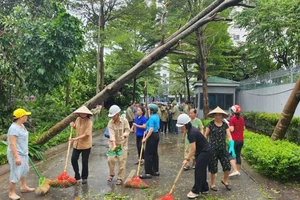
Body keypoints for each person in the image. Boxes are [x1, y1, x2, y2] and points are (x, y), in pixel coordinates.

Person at [177, 114, 212, 199]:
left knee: (198, 170)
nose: (180, 128)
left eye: (182, 126)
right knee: (201, 169)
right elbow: (194, 149)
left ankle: (196, 191)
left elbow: (192, 149)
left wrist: (186, 159)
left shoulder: (191, 133)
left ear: (186, 124)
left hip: (205, 151)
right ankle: (204, 188)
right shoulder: (190, 131)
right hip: (201, 151)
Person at [205, 106, 235, 191]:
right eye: (216, 115)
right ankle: (212, 184)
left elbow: (229, 136)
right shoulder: (210, 124)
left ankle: (224, 180)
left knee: (227, 166)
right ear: (214, 116)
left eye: (219, 115)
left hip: (222, 149)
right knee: (213, 168)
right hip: (212, 149)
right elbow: (205, 136)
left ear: (222, 116)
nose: (218, 116)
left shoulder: (225, 125)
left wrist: (231, 144)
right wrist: (204, 146)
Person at [7, 108, 35, 200]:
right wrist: (16, 157)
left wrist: (25, 152)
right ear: (20, 117)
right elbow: (12, 144)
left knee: (24, 170)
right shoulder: (14, 128)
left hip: (24, 153)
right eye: (25, 115)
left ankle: (23, 186)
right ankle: (11, 193)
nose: (27, 117)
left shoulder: (22, 125)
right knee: (16, 172)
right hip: (16, 154)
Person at [69, 105, 94, 184]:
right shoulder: (78, 119)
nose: (83, 114)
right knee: (73, 159)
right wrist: (73, 126)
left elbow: (86, 134)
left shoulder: (89, 122)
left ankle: (84, 177)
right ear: (79, 113)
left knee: (84, 161)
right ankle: (77, 175)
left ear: (87, 114)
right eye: (81, 113)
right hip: (77, 144)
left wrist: (75, 138)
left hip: (86, 145)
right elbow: (77, 127)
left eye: (84, 113)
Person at [107, 105, 130, 185]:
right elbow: (111, 134)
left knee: (121, 161)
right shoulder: (110, 122)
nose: (112, 117)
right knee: (110, 159)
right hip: (113, 144)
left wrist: (124, 135)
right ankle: (111, 173)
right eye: (111, 116)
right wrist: (113, 145)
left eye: (113, 115)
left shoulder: (124, 121)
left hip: (122, 145)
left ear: (117, 114)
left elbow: (127, 130)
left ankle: (120, 177)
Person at [140, 104, 160, 179]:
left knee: (147, 154)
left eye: (148, 109)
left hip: (152, 136)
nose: (147, 110)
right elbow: (156, 127)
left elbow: (151, 129)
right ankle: (155, 171)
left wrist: (145, 138)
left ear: (151, 110)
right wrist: (146, 130)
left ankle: (148, 173)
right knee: (154, 153)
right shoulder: (156, 117)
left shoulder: (151, 118)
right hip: (156, 135)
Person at [228, 105, 245, 177]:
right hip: (241, 140)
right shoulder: (242, 119)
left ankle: (234, 170)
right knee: (238, 155)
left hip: (233, 140)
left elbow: (231, 129)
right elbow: (244, 128)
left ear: (233, 111)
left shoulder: (232, 119)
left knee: (229, 155)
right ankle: (237, 171)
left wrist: (227, 126)